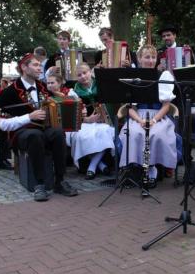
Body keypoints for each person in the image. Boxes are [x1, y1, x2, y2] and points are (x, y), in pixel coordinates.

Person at [0, 53, 78, 201]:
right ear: (23, 67)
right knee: (35, 135)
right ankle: (39, 184)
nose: (40, 68)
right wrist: (29, 117)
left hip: (43, 129)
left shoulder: (43, 88)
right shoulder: (7, 93)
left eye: (40, 65)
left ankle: (60, 181)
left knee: (58, 133)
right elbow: (3, 125)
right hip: (21, 133)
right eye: (35, 65)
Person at [119, 45, 177, 188]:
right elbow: (130, 107)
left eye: (153, 57)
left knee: (156, 133)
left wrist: (154, 120)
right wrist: (139, 120)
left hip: (158, 116)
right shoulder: (133, 77)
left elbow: (166, 106)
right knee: (133, 133)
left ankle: (151, 169)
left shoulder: (163, 76)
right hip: (137, 116)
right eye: (147, 57)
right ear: (139, 59)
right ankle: (136, 169)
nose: (150, 60)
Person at [50, 67, 114, 179]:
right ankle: (99, 165)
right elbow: (75, 115)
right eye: (79, 75)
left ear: (90, 72)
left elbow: (82, 109)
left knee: (106, 131)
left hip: (100, 122)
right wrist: (87, 119)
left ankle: (93, 166)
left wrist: (101, 115)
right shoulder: (72, 92)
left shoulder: (98, 86)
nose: (83, 76)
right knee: (82, 136)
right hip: (79, 125)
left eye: (85, 73)